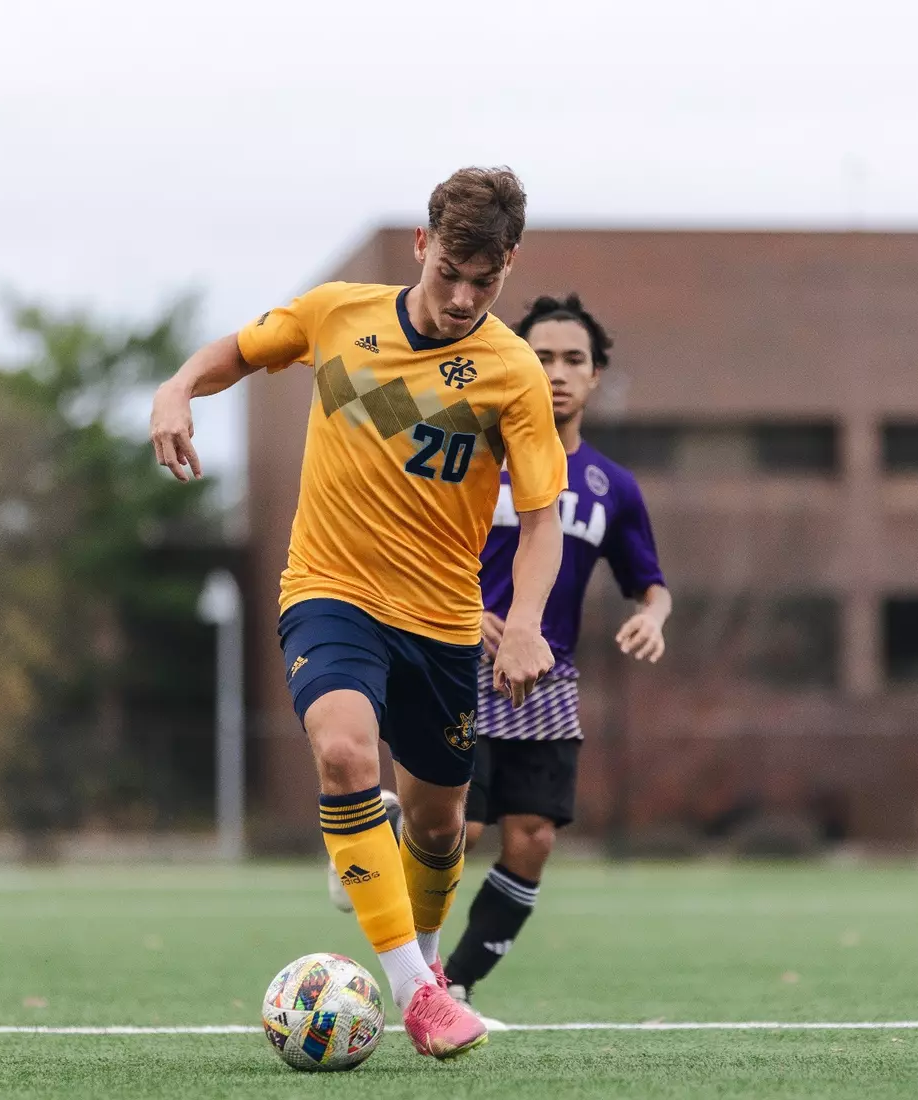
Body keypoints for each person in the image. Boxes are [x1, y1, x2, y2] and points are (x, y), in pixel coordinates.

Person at [150, 167, 568, 1060]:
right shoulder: (339, 314)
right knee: (342, 751)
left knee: (438, 824)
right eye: (449, 270)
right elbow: (239, 349)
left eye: (483, 282)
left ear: (508, 269)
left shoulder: (514, 375)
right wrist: (179, 386)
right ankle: (420, 991)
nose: (461, 297)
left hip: (445, 623)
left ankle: (410, 939)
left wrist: (524, 617)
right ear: (421, 246)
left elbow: (541, 522)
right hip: (330, 590)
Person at [442, 293, 671, 1011]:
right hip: (458, 662)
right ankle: (381, 870)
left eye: (575, 359)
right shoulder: (471, 453)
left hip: (548, 681)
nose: (557, 371)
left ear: (596, 376)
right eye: (541, 357)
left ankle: (453, 987)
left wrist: (655, 618)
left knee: (533, 838)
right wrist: (467, 611)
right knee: (457, 827)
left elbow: (651, 586)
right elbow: (416, 547)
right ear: (516, 363)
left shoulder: (612, 487)